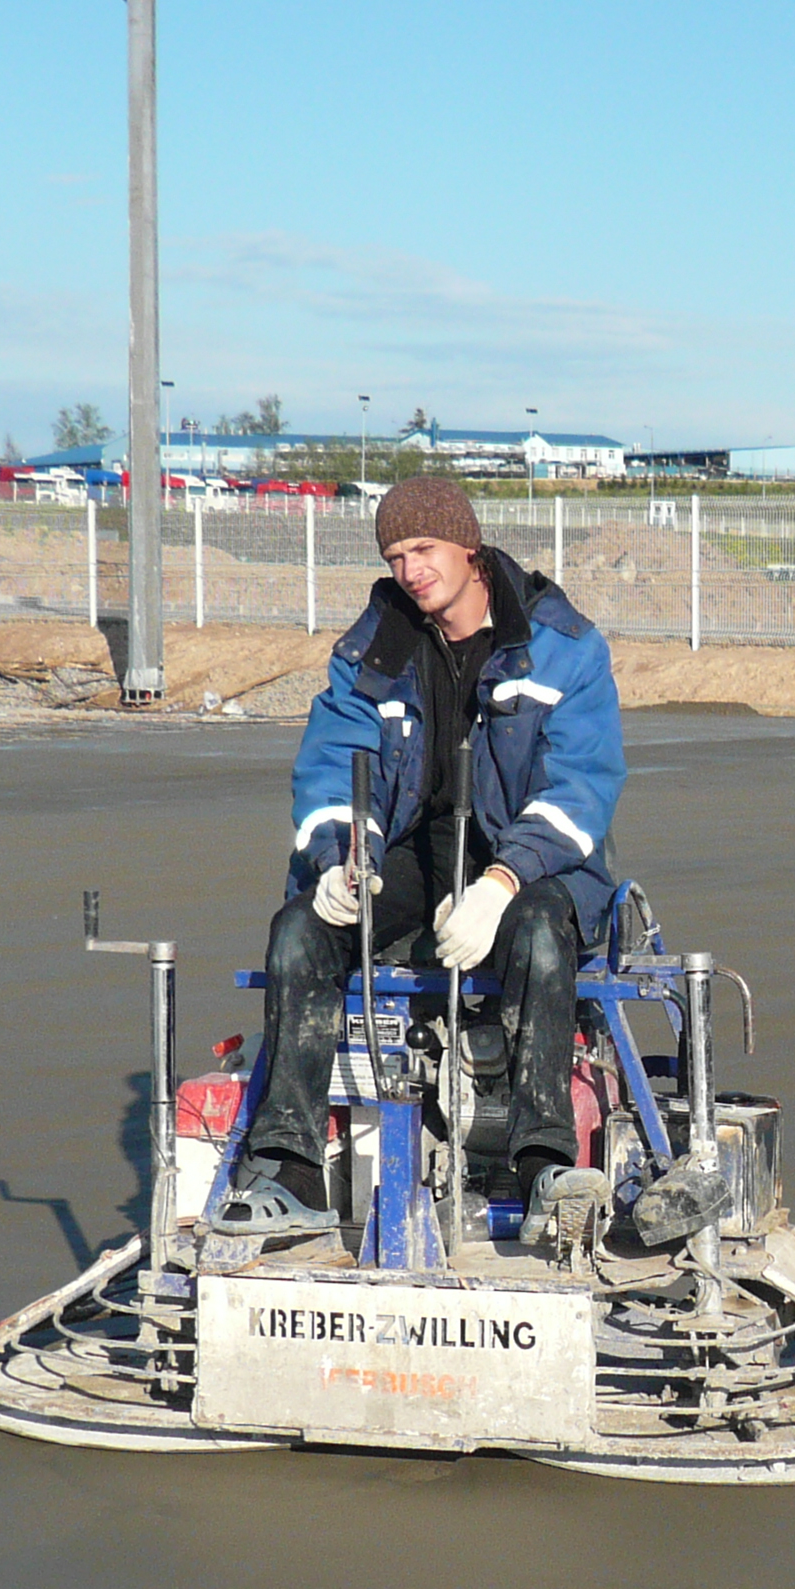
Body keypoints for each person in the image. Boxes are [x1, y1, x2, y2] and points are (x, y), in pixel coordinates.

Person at [215, 476, 626, 1234]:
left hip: (534, 865)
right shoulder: (373, 649)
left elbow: (583, 788)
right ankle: (293, 1172)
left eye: (424, 548)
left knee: (538, 933)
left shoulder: (564, 647)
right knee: (301, 931)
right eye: (395, 553)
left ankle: (543, 1168)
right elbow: (333, 764)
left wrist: (501, 882)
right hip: (411, 853)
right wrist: (343, 858)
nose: (410, 569)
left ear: (468, 549)